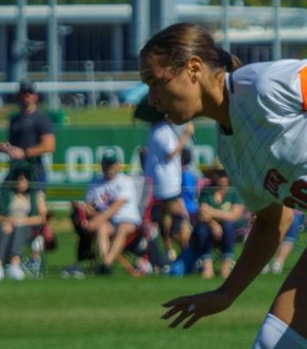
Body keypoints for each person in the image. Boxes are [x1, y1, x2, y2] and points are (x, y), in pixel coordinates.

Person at [145, 22, 307, 349]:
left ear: (194, 69)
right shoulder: (231, 146)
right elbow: (271, 221)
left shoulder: (265, 85)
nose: (154, 98)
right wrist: (225, 293)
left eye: (156, 82)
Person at [69, 152, 141, 276]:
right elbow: (90, 205)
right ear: (101, 165)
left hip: (128, 220)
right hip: (106, 222)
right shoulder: (95, 183)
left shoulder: (125, 181)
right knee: (102, 229)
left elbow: (115, 207)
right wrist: (83, 209)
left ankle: (106, 263)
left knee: (122, 228)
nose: (109, 167)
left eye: (112, 164)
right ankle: (105, 263)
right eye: (106, 164)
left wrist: (96, 220)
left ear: (118, 166)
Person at [143, 116, 193, 264]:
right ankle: (188, 253)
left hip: (158, 185)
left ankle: (169, 252)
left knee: (164, 220)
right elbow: (171, 152)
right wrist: (186, 134)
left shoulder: (155, 130)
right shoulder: (164, 130)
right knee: (180, 220)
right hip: (167, 185)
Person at [0, 170, 46, 282]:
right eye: (18, 180)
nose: (20, 182)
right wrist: (5, 220)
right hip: (6, 224)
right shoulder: (5, 195)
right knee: (6, 229)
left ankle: (15, 263)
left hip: (27, 227)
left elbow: (42, 218)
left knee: (19, 228)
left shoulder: (35, 196)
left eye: (23, 180)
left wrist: (22, 221)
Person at [189, 164, 245, 279]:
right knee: (202, 229)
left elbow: (235, 215)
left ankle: (226, 265)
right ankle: (207, 265)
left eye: (225, 173)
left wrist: (213, 212)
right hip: (209, 226)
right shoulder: (206, 191)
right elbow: (203, 213)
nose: (222, 177)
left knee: (228, 226)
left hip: (233, 229)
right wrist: (213, 223)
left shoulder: (234, 191)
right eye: (219, 174)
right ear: (214, 175)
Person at [0, 81, 55, 187]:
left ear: (35, 96)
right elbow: (12, 143)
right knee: (6, 199)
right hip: (16, 168)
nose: (27, 95)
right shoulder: (15, 119)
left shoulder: (41, 118)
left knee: (36, 200)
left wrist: (25, 152)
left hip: (34, 167)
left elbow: (49, 146)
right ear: (19, 96)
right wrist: (6, 148)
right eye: (24, 93)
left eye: (30, 93)